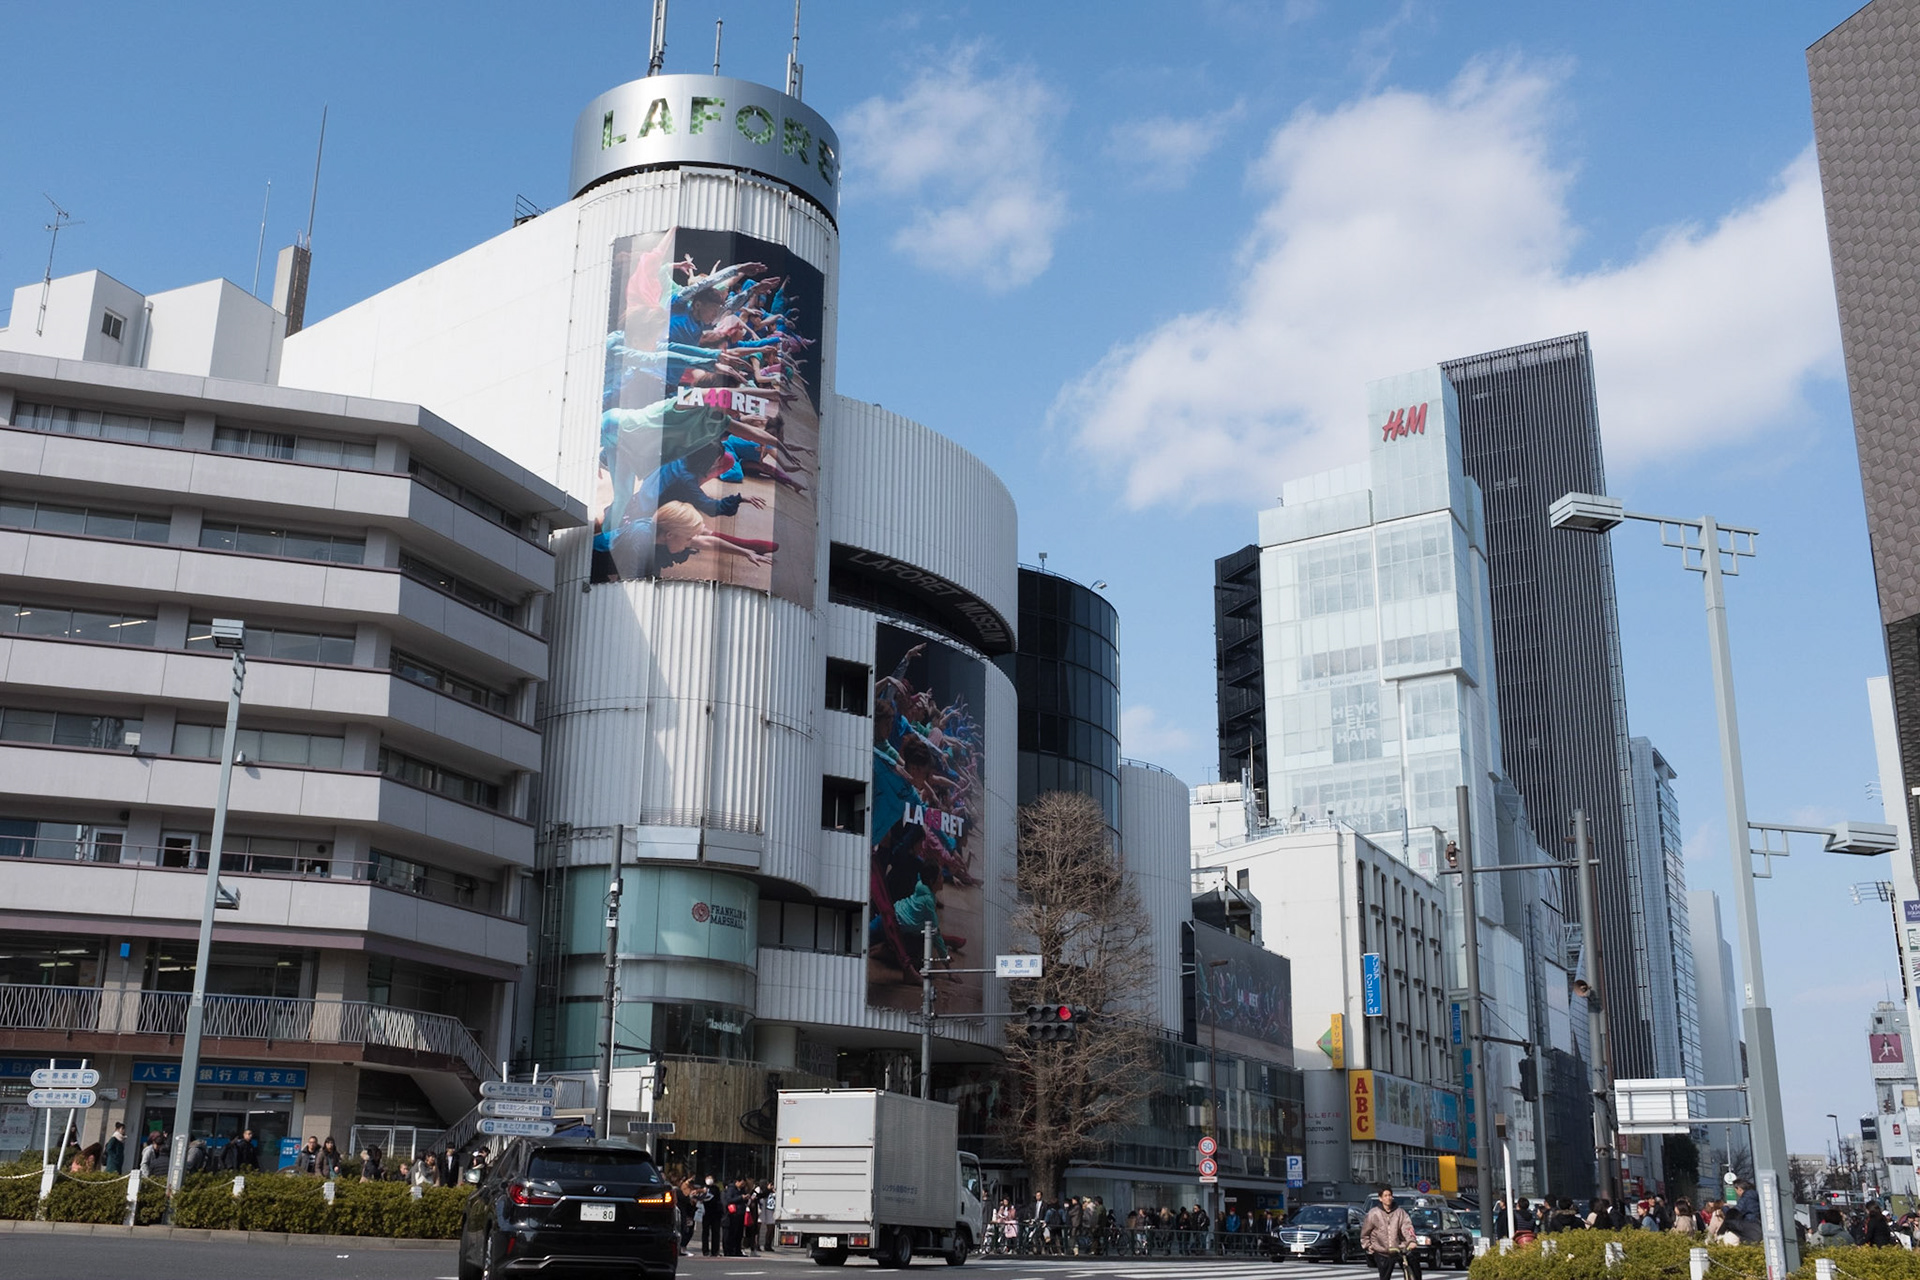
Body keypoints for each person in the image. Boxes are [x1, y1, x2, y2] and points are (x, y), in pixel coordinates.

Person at [1361, 1186, 1420, 1280]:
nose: (1388, 1198)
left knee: (1412, 1270)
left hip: (1399, 1249)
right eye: (1385, 1196)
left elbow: (1407, 1227)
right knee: (1384, 1276)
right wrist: (1368, 1246)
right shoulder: (1373, 1213)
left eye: (1390, 1195)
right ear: (1380, 1198)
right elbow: (1365, 1233)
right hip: (1382, 1251)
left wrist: (1411, 1241)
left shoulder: (1400, 1212)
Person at [701, 1176, 723, 1257]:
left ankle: (715, 1251)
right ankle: (705, 1250)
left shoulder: (716, 1189)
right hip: (706, 1212)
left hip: (715, 1213)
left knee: (715, 1232)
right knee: (705, 1232)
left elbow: (717, 1199)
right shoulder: (702, 1188)